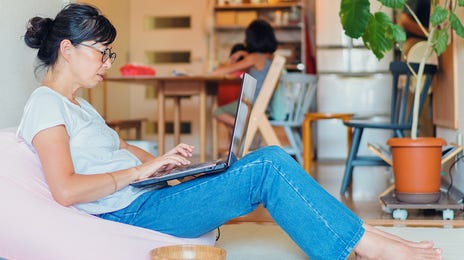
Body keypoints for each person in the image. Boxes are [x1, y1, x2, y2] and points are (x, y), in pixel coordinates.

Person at [17, 3, 442, 259]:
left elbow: (122, 147)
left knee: (252, 164)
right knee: (268, 165)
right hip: (132, 210)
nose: (108, 62)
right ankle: (363, 243)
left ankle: (361, 234)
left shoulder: (80, 105)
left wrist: (167, 166)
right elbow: (66, 190)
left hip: (149, 194)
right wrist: (139, 174)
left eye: (112, 53)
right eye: (102, 53)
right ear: (67, 50)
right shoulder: (46, 103)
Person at [211, 19, 277, 128]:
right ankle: (242, 132)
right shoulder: (270, 58)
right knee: (231, 116)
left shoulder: (254, 57)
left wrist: (213, 71)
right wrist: (244, 53)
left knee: (218, 112)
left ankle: (245, 127)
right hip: (267, 105)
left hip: (251, 105)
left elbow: (225, 70)